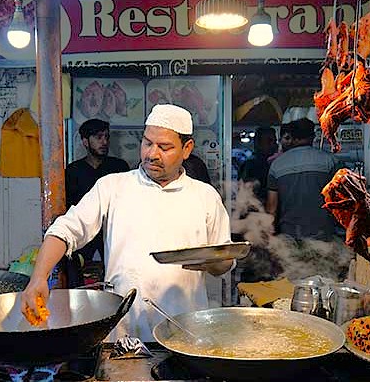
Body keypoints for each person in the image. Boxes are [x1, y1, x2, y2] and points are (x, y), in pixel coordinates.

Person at [22, 104, 232, 342]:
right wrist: (39, 277)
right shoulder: (112, 186)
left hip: (185, 332)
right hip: (123, 332)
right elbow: (65, 229)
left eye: (164, 147)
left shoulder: (205, 196)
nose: (152, 154)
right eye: (147, 142)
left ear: (187, 149)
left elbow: (223, 260)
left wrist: (213, 263)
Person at [65, 119, 129, 286]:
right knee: (72, 263)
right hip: (85, 227)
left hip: (112, 227)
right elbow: (69, 208)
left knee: (120, 269)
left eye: (106, 137)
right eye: (98, 137)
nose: (104, 142)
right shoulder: (73, 171)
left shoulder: (119, 167)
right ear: (85, 142)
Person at [266, 119, 336, 240]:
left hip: (289, 235)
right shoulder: (330, 162)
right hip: (323, 235)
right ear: (313, 136)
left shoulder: (276, 165)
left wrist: (269, 237)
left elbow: (272, 207)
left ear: (292, 137)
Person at [238, 127, 278, 203]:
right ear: (258, 143)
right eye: (269, 141)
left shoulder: (276, 163)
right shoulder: (250, 166)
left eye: (275, 141)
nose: (275, 145)